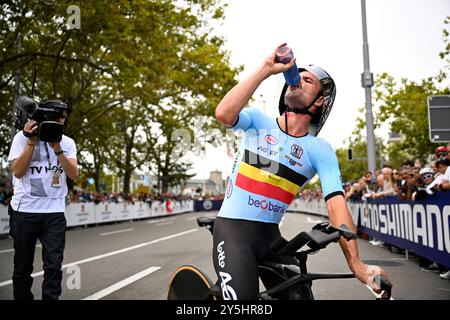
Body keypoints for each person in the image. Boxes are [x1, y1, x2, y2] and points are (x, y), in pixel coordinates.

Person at [213, 43, 391, 300]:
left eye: (307, 80)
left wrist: (357, 265)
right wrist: (266, 68)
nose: (296, 81)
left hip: (271, 238)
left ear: (319, 101)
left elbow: (337, 208)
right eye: (297, 77)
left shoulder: (320, 150)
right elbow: (223, 113)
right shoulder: (257, 121)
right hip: (233, 232)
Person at [7, 100, 78, 300]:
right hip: (24, 211)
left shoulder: (67, 142)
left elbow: (73, 174)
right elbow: (18, 172)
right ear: (45, 117)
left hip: (54, 212)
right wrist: (31, 142)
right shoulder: (21, 138)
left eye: (64, 118)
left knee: (53, 266)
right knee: (22, 267)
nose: (62, 121)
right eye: (58, 117)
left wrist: (57, 148)